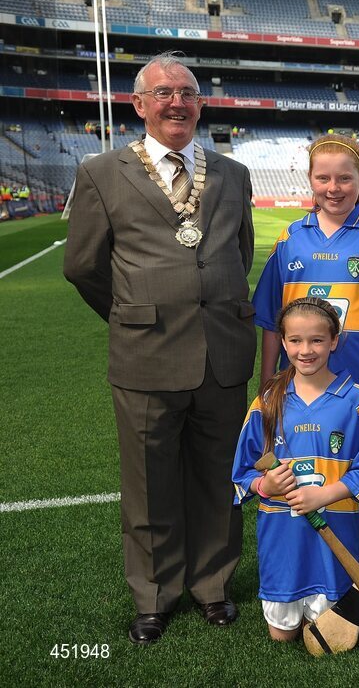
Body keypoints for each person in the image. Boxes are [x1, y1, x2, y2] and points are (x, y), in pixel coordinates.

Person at [63, 52, 256, 644]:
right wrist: (134, 315)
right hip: (145, 355)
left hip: (221, 352)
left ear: (200, 104)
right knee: (148, 483)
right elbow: (84, 267)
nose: (177, 102)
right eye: (164, 92)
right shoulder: (101, 172)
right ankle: (153, 592)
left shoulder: (233, 172)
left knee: (218, 481)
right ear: (139, 104)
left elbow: (239, 256)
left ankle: (212, 585)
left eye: (188, 92)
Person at [253, 132, 359, 556]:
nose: (333, 188)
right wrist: (268, 380)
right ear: (309, 180)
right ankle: (320, 558)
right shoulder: (291, 239)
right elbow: (271, 321)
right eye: (323, 178)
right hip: (302, 387)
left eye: (344, 178)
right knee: (318, 468)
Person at [232, 298, 359, 642]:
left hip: (335, 531)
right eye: (295, 340)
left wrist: (325, 494)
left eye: (316, 340)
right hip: (283, 538)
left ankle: (343, 582)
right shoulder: (269, 400)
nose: (305, 350)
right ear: (283, 343)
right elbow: (242, 469)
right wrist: (265, 486)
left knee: (330, 637)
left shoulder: (356, 398)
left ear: (334, 340)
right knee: (282, 636)